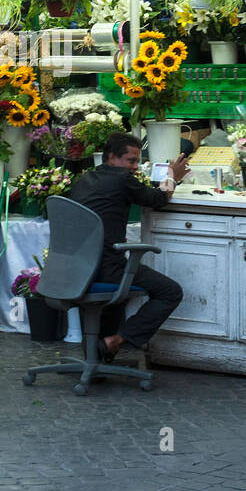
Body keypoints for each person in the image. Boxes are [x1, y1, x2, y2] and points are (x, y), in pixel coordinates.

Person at [65, 131, 189, 362]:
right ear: (112, 157)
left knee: (114, 299)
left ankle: (97, 355)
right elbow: (158, 199)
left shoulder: (83, 180)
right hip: (107, 267)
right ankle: (116, 341)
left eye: (137, 162)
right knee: (170, 292)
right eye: (131, 161)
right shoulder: (121, 179)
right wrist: (172, 176)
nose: (135, 167)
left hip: (77, 269)